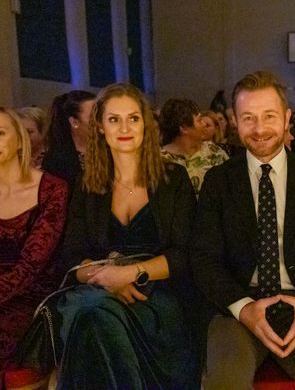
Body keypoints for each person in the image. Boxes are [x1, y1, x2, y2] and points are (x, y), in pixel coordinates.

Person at [191, 71, 295, 390]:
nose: (259, 128)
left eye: (269, 116)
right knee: (225, 384)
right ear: (235, 122)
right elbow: (203, 257)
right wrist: (242, 308)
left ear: (287, 119)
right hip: (239, 307)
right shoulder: (219, 181)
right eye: (248, 118)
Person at [55, 83, 200, 389]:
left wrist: (129, 274)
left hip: (158, 294)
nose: (124, 128)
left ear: (145, 124)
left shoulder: (173, 179)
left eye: (133, 118)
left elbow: (185, 254)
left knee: (93, 319)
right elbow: (71, 256)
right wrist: (106, 279)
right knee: (93, 313)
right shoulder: (87, 184)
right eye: (114, 119)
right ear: (100, 126)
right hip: (97, 291)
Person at [0, 108, 68, 377]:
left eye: (0, 133)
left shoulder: (52, 188)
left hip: (29, 294)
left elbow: (31, 265)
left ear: (20, 139)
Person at [159, 98, 229, 196]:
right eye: (199, 120)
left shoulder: (214, 152)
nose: (204, 124)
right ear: (184, 128)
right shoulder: (160, 160)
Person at [41, 90, 95, 188]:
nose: (100, 121)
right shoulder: (56, 161)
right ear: (74, 122)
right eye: (93, 117)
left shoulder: (109, 149)